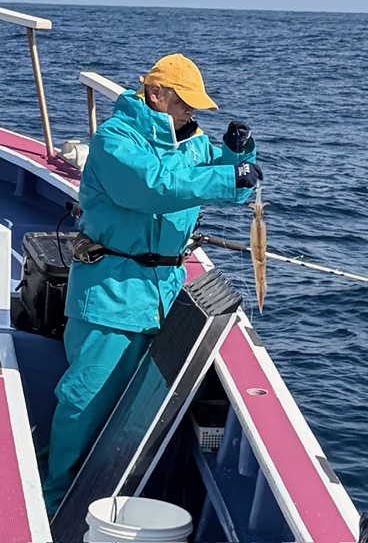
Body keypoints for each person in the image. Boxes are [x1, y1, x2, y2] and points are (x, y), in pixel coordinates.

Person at [42, 53, 263, 516]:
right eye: (185, 103)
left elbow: (232, 185)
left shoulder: (192, 141)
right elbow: (153, 188)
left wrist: (240, 155)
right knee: (84, 403)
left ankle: (113, 498)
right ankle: (55, 500)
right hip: (111, 295)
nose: (191, 112)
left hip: (163, 298)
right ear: (156, 94)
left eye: (195, 106)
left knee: (138, 413)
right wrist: (228, 175)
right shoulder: (115, 139)